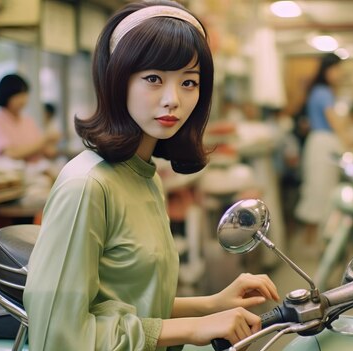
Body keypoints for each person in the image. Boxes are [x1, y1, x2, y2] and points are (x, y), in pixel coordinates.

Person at [23, 2, 279, 351]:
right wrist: (192, 330)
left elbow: (129, 305)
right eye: (153, 79)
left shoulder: (146, 175)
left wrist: (211, 305)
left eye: (189, 82)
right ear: (117, 80)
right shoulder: (87, 185)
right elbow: (59, 335)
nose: (173, 99)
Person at [294, 53, 346, 246]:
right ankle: (313, 244)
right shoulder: (324, 92)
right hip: (323, 145)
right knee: (320, 193)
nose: (340, 74)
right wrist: (348, 143)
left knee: (317, 192)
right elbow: (335, 122)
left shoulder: (317, 91)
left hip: (319, 144)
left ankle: (313, 243)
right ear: (329, 70)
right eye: (338, 69)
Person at [0, 74, 60, 162]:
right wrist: (44, 140)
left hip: (35, 171)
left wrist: (50, 144)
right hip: (8, 173)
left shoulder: (28, 121)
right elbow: (11, 153)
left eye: (25, 95)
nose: (23, 100)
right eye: (18, 95)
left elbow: (45, 151)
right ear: (6, 95)